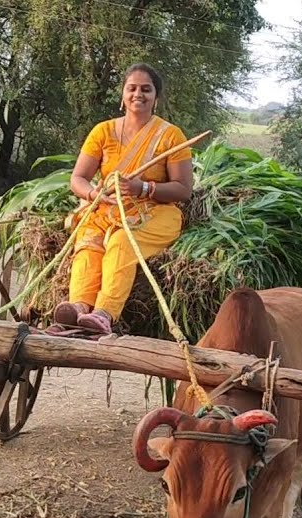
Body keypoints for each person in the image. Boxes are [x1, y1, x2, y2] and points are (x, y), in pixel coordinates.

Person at [54, 62, 196, 335]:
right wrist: (94, 194)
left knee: (121, 241)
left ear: (157, 97)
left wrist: (143, 188)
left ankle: (104, 314)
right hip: (106, 209)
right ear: (122, 94)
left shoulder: (171, 136)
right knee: (88, 241)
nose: (138, 95)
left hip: (155, 213)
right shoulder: (103, 131)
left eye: (146, 89)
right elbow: (78, 179)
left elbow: (183, 189)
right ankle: (79, 308)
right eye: (131, 88)